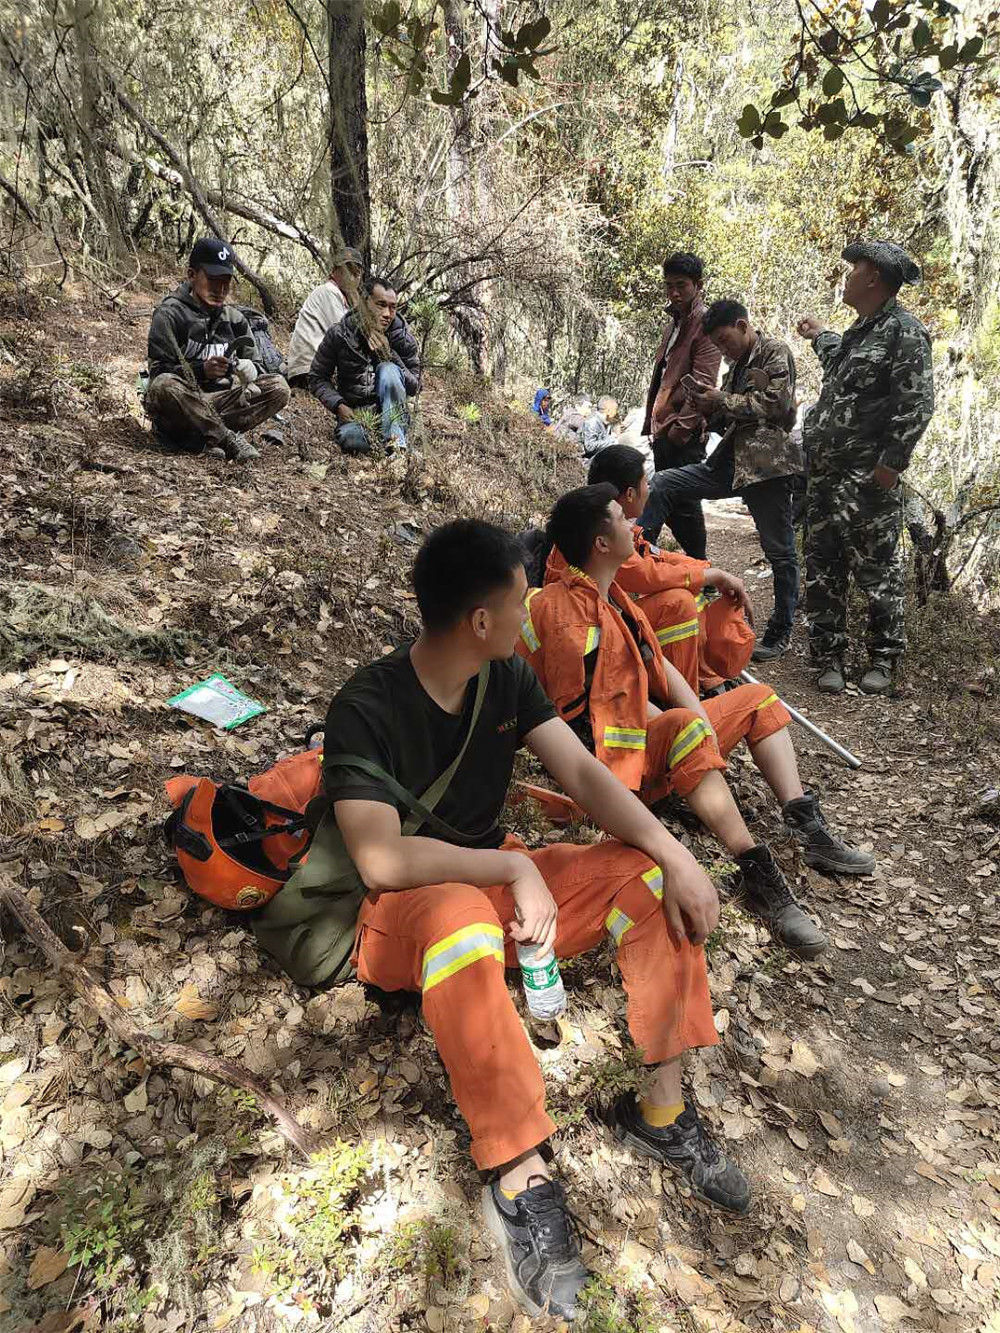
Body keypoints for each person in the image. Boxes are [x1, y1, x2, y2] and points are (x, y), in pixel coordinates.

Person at [259, 518, 757, 1320]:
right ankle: (519, 1170)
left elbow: (585, 776)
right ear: (481, 621)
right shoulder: (367, 703)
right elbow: (382, 860)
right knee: (458, 919)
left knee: (642, 878)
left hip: (492, 880)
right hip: (400, 919)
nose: (533, 614)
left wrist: (674, 850)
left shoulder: (506, 679)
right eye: (522, 603)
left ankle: (662, 1111)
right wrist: (512, 865)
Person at [517, 485, 877, 953]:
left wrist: (701, 720)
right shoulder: (565, 614)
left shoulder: (611, 597)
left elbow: (654, 664)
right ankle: (756, 870)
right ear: (601, 544)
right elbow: (588, 715)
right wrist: (687, 728)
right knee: (686, 729)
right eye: (621, 519)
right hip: (609, 771)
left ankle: (806, 825)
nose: (634, 525)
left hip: (640, 744)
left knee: (759, 699)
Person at [797, 241, 934, 695]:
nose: (847, 275)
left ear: (873, 276)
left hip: (866, 480)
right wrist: (820, 335)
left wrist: (890, 466)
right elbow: (842, 366)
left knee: (877, 570)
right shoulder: (859, 332)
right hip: (825, 476)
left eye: (854, 268)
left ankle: (883, 660)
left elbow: (916, 403)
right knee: (823, 567)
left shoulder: (904, 331)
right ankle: (828, 657)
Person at [639, 300, 805, 662]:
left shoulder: (775, 351)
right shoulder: (736, 367)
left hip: (767, 465)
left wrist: (722, 400)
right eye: (718, 344)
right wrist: (705, 408)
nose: (725, 351)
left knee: (780, 551)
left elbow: (776, 406)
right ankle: (636, 564)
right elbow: (729, 416)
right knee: (665, 482)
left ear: (743, 325)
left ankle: (780, 633)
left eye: (726, 341)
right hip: (728, 462)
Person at [585, 444, 755, 692]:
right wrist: (712, 575)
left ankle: (701, 679)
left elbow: (651, 554)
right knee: (677, 602)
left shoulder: (607, 517)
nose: (650, 489)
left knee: (688, 592)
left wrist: (705, 570)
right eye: (646, 483)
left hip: (605, 620)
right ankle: (683, 695)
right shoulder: (603, 530)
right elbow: (645, 574)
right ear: (630, 493)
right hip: (597, 636)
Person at [145, 238, 290, 464]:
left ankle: (201, 440)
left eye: (226, 282)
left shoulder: (235, 319)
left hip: (219, 402)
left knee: (279, 387)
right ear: (192, 275)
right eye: (212, 280)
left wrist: (245, 369)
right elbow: (158, 375)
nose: (220, 290)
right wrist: (202, 370)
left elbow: (259, 368)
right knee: (165, 385)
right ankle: (226, 439)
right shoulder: (169, 315)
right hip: (183, 406)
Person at [640, 252, 722, 556]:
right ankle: (669, 563)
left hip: (682, 432)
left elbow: (703, 382)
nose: (674, 293)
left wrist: (679, 430)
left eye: (681, 285)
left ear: (698, 285)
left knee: (683, 503)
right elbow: (664, 375)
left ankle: (700, 569)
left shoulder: (705, 324)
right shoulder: (674, 322)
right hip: (665, 427)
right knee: (671, 501)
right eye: (669, 285)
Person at [310, 275, 421, 454]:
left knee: (389, 369)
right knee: (348, 437)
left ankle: (396, 444)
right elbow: (317, 377)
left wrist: (389, 354)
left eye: (393, 307)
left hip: (394, 415)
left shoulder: (403, 339)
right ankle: (394, 443)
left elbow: (415, 387)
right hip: (358, 418)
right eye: (381, 305)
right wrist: (339, 405)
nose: (387, 314)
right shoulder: (340, 334)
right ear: (364, 303)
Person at [285, 246, 363, 389]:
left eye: (356, 274)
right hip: (308, 369)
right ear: (334, 271)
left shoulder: (341, 296)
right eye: (348, 271)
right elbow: (345, 337)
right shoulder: (329, 292)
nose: (352, 278)